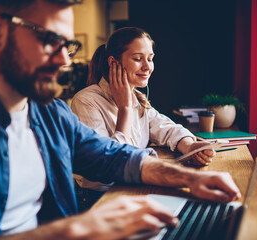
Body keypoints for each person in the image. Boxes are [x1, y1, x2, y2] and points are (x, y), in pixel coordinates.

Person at [0, 0, 241, 239]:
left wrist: (191, 179)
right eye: (49, 39)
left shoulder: (50, 113)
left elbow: (114, 157)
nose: (64, 60)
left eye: (67, 45)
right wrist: (76, 230)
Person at [71, 27, 216, 210]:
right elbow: (105, 166)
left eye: (150, 58)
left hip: (135, 188)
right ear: (113, 62)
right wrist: (124, 109)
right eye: (138, 59)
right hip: (102, 198)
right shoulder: (86, 101)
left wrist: (189, 146)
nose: (147, 67)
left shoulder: (137, 98)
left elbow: (165, 127)